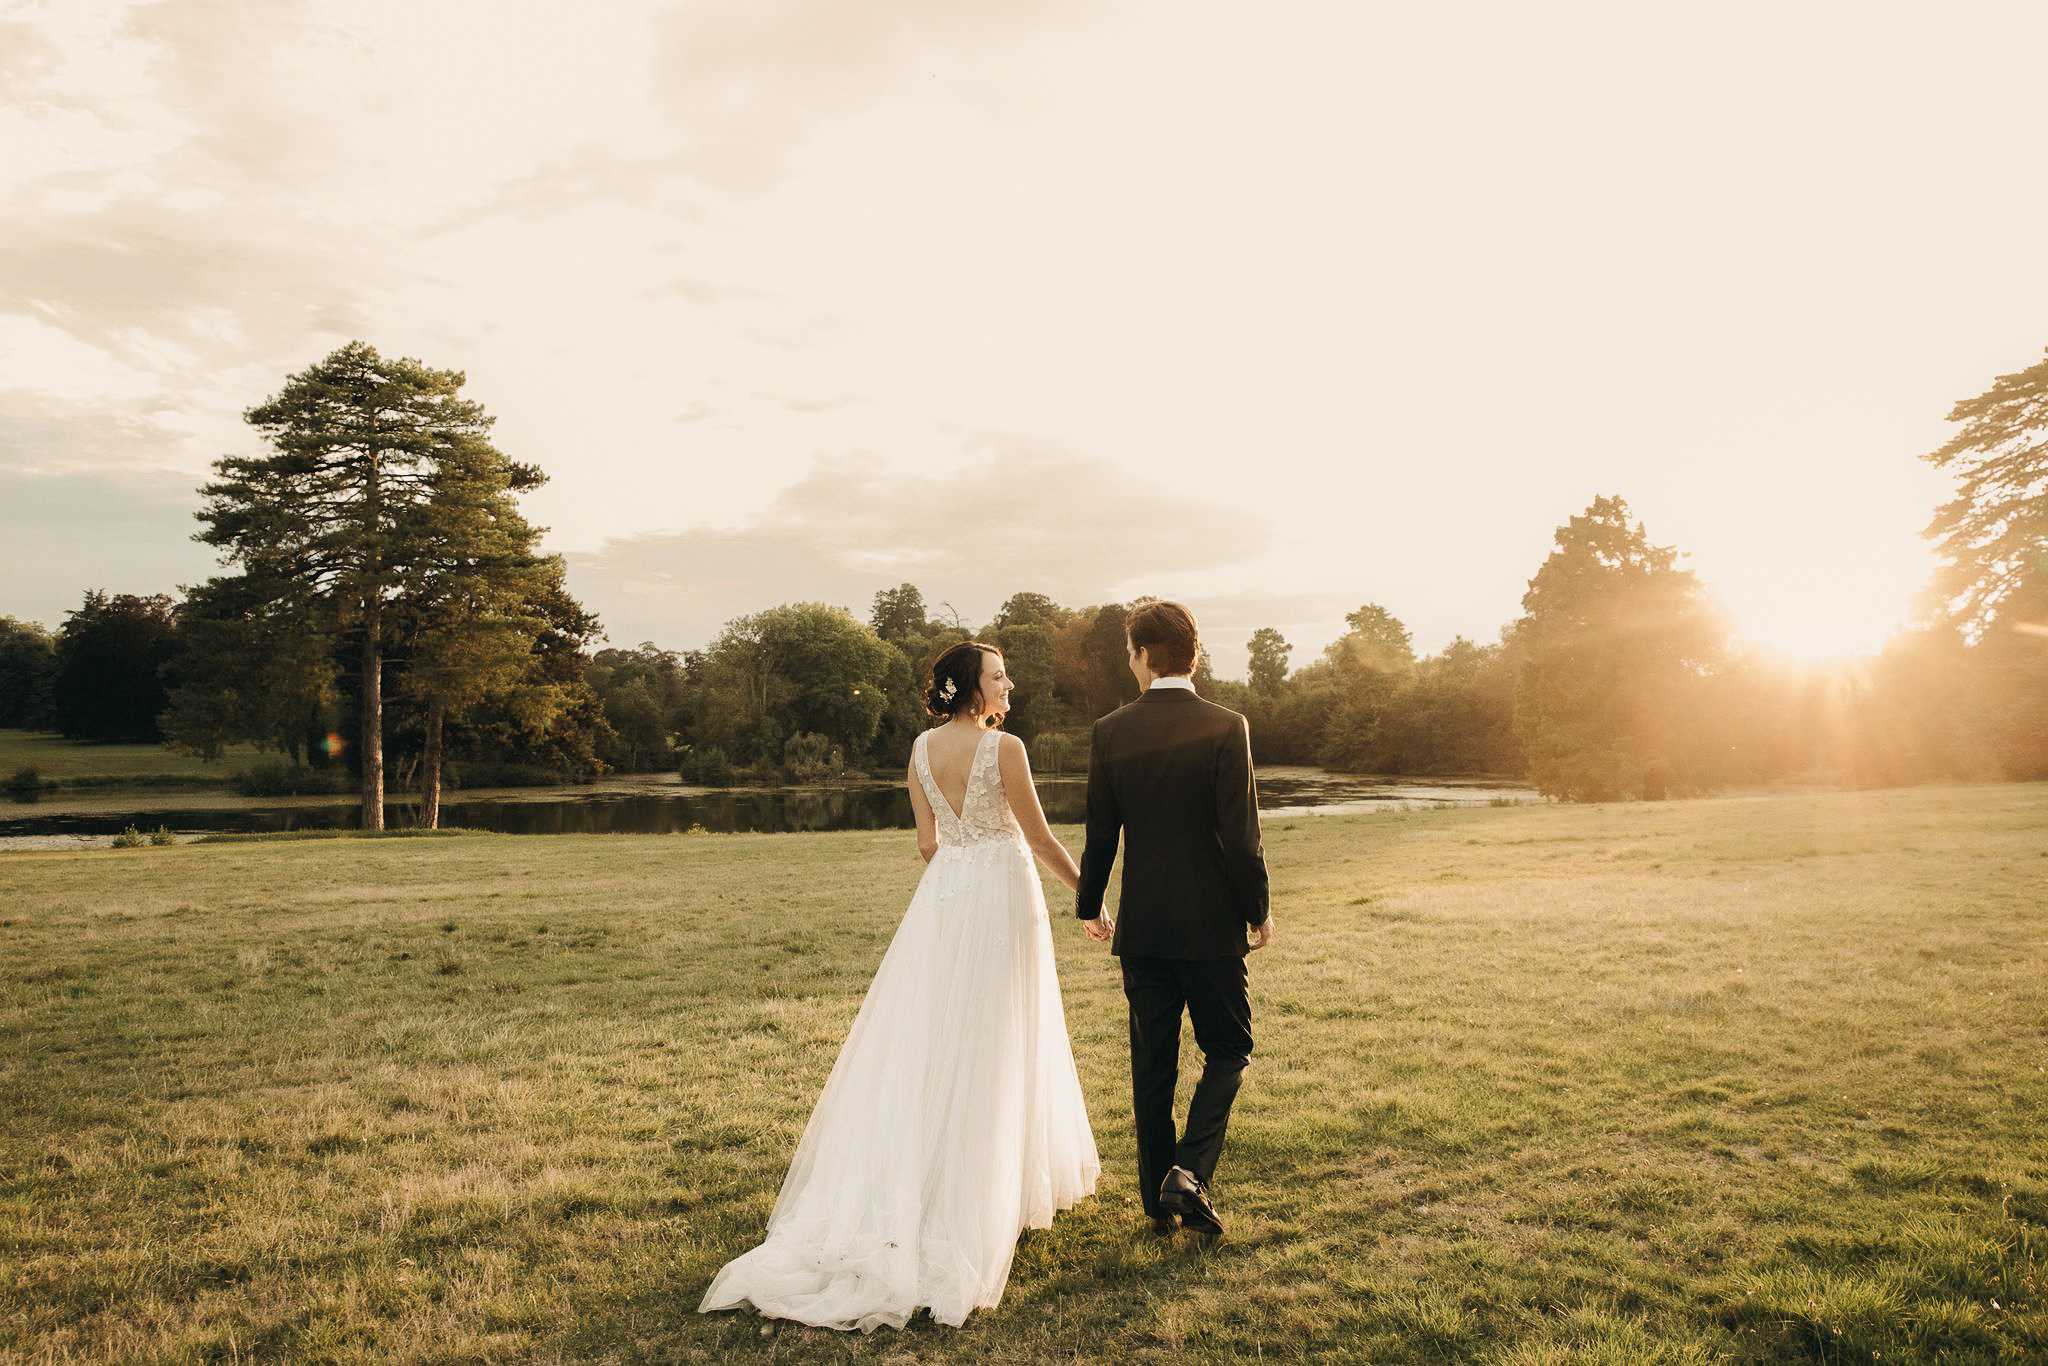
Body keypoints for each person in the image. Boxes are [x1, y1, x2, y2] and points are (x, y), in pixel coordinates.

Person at [698, 641, 1100, 1332]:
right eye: (1000, 676)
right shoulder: (1006, 750)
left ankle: (933, 1182)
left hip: (946, 900)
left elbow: (926, 843)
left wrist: (960, 876)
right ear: (973, 691)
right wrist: (1090, 900)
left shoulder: (917, 750)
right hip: (1001, 894)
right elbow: (1039, 838)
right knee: (999, 1035)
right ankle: (978, 1200)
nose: (1011, 684)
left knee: (937, 1039)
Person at [1075, 600, 1272, 1239]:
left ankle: (1160, 1206)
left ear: (1140, 654)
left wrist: (1090, 904)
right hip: (1212, 928)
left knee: (1152, 1065)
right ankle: (1188, 1173)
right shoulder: (1226, 725)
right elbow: (1242, 838)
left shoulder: (1111, 731)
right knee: (1231, 1047)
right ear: (1192, 655)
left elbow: (1102, 833)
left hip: (1146, 929)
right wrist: (1257, 910)